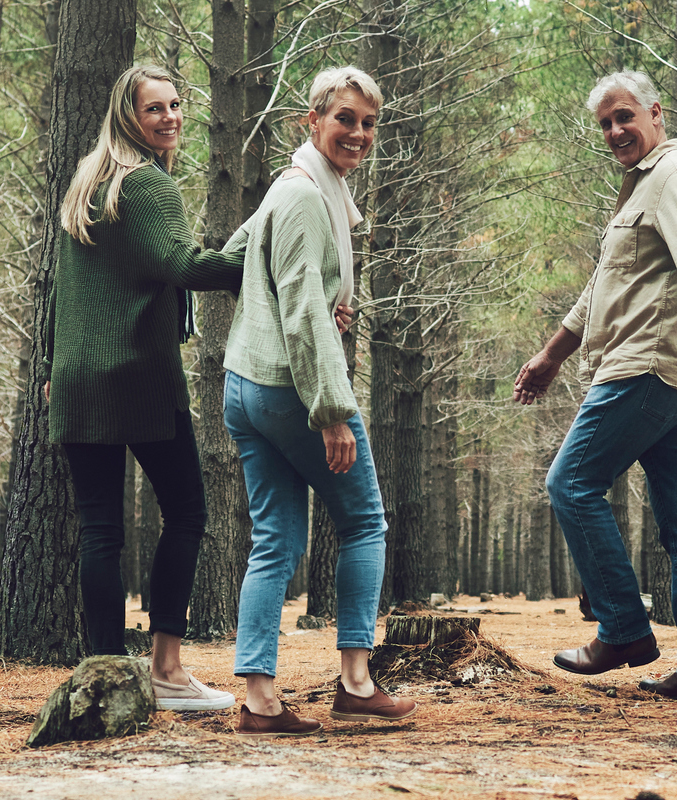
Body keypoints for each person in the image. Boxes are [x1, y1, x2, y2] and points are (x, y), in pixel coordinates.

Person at [512, 71, 677, 699]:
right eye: (606, 123)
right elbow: (604, 289)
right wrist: (552, 355)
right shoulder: (639, 189)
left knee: (570, 483)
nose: (615, 131)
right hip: (670, 376)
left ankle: (624, 629)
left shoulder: (673, 180)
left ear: (655, 113)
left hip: (650, 368)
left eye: (625, 116)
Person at [219, 66, 419, 737]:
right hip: (288, 389)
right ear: (313, 121)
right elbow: (304, 311)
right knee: (364, 522)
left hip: (243, 384)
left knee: (275, 540)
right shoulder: (308, 198)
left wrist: (279, 304)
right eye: (345, 119)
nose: (358, 134)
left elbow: (238, 257)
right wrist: (331, 412)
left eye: (368, 123)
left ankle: (259, 698)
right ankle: (357, 680)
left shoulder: (294, 185)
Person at [48, 64, 247, 712]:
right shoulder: (149, 185)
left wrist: (53, 372)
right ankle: (165, 672)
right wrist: (264, 258)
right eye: (154, 108)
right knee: (188, 512)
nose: (170, 117)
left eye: (175, 104)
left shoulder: (92, 182)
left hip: (78, 376)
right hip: (136, 374)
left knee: (99, 529)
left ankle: (103, 679)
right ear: (127, 115)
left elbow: (71, 292)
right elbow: (185, 266)